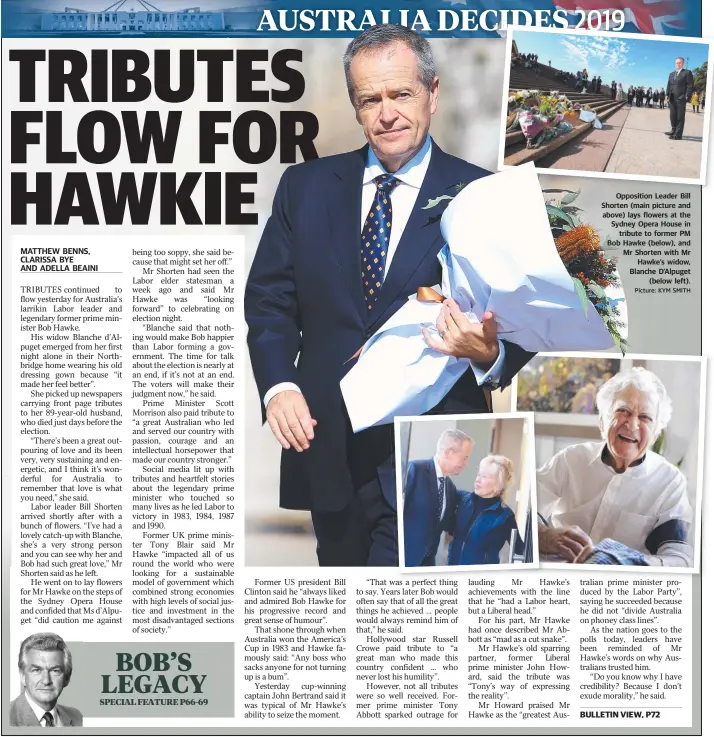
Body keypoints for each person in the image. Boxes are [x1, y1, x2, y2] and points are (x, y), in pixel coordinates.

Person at [244, 24, 534, 567]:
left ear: (432, 91)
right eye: (369, 99)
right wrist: (279, 385)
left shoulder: (484, 196)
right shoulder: (303, 188)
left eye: (401, 94)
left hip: (428, 448)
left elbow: (527, 319)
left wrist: (489, 355)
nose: (387, 113)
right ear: (355, 106)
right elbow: (269, 301)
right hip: (328, 444)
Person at [536, 368, 693, 567]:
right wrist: (546, 535)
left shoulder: (670, 482)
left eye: (645, 417)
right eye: (623, 411)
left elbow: (679, 558)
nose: (632, 424)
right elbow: (521, 506)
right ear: (602, 421)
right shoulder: (571, 459)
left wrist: (629, 562)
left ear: (655, 433)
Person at [402, 429, 472, 566]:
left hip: (427, 565)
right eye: (464, 457)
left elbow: (449, 525)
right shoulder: (415, 470)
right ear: (447, 453)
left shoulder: (449, 487)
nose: (466, 463)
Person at [447, 455, 522, 566]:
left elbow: (520, 550)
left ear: (498, 485)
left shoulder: (505, 516)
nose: (478, 479)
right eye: (478, 475)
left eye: (485, 477)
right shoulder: (462, 498)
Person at [9, 633, 83, 727]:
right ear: (23, 676)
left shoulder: (77, 717)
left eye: (55, 671)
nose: (46, 681)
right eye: (36, 670)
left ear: (67, 677)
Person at [666, 56, 694, 140]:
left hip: (681, 98)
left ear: (683, 63)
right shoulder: (671, 74)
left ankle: (678, 135)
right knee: (672, 116)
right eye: (676, 63)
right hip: (672, 98)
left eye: (679, 62)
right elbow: (669, 85)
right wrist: (667, 94)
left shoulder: (687, 73)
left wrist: (686, 97)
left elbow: (690, 86)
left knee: (680, 117)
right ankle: (673, 130)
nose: (678, 64)